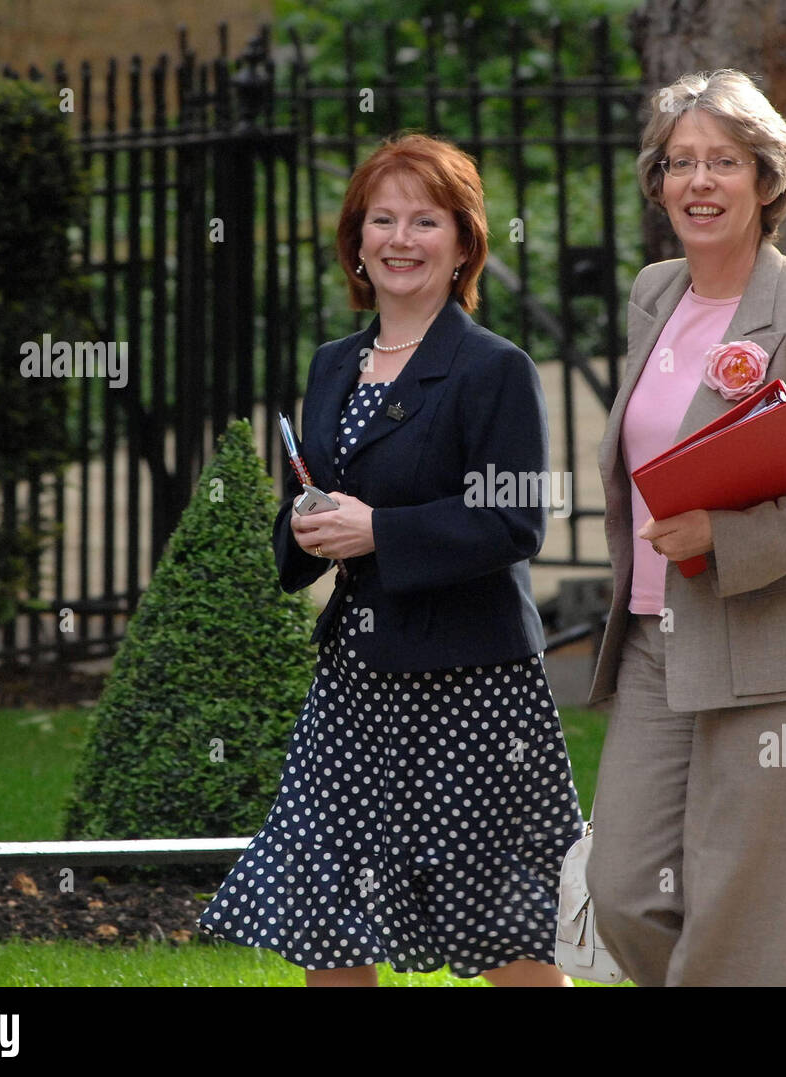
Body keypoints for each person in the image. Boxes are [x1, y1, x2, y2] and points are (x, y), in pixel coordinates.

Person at [197, 133, 584, 987]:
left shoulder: (495, 369)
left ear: (463, 243)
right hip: (356, 680)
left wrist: (382, 532)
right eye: (382, 219)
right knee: (326, 908)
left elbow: (516, 521)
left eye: (424, 220)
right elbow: (322, 497)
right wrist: (306, 529)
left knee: (497, 917)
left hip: (471, 685)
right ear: (357, 242)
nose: (400, 239)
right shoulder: (334, 365)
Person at [584, 69, 786, 986]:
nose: (699, 182)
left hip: (778, 654)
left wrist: (725, 534)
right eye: (680, 162)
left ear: (767, 180)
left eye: (723, 161)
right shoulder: (654, 293)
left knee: (740, 916)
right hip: (656, 640)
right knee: (623, 888)